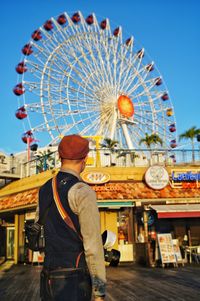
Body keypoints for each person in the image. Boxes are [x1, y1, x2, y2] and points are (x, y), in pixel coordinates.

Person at [36, 134, 106, 301]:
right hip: (73, 280)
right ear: (85, 158)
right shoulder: (82, 191)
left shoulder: (44, 189)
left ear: (60, 157)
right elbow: (92, 245)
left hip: (48, 277)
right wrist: (99, 290)